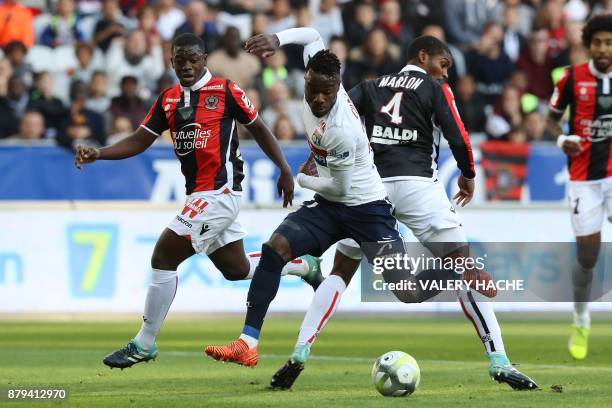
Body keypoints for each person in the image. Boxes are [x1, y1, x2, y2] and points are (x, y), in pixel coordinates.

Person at [267, 35, 538, 391]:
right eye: (443, 65)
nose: (445, 74)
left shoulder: (372, 85)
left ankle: (301, 350)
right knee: (462, 264)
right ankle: (499, 359)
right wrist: (469, 175)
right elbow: (458, 134)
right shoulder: (433, 87)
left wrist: (315, 160)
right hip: (417, 187)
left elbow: (334, 113)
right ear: (423, 57)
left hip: (371, 190)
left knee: (342, 270)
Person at [74, 33, 322, 369]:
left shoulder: (226, 91)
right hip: (200, 195)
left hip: (221, 193)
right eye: (179, 59)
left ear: (204, 58)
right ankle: (301, 265)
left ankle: (144, 344)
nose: (187, 65)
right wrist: (99, 154)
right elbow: (139, 140)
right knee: (237, 269)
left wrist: (283, 169)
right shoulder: (169, 99)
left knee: (163, 255)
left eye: (193, 58)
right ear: (171, 60)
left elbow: (261, 129)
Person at [204, 27, 409, 368]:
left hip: (366, 208)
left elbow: (340, 189)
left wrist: (301, 177)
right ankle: (248, 342)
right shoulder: (318, 72)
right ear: (307, 79)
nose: (317, 99)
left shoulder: (341, 128)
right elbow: (313, 34)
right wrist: (277, 39)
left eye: (326, 93)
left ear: (337, 87)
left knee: (407, 290)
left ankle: (458, 275)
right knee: (274, 249)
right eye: (312, 90)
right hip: (330, 206)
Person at [546, 13, 612, 361]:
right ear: (589, 45)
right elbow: (550, 121)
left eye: (609, 42)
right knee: (588, 257)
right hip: (583, 179)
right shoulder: (572, 78)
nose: (603, 48)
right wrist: (562, 141)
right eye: (598, 42)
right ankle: (581, 318)